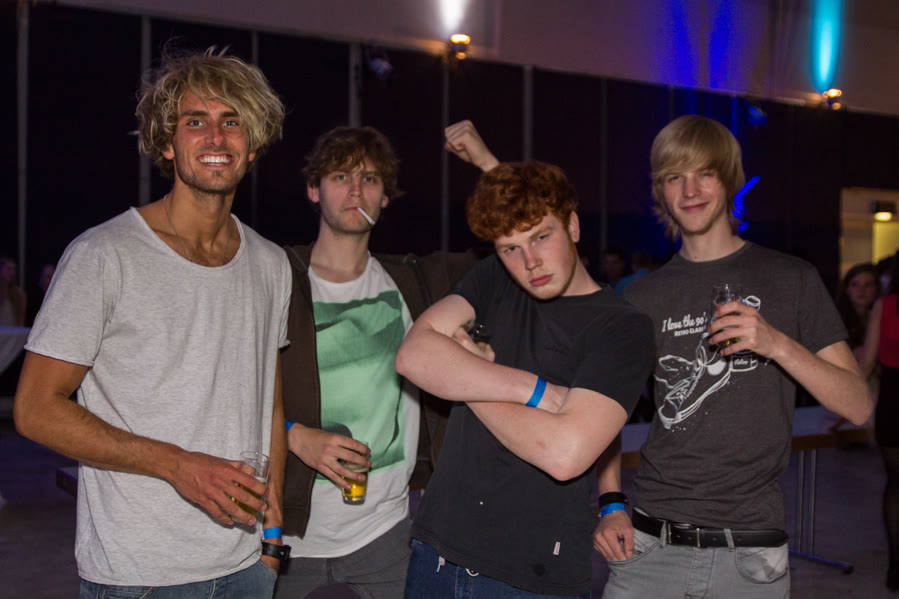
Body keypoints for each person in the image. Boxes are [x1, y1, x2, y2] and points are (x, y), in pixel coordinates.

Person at [13, 47, 291, 597]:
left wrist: (273, 538)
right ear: (167, 142)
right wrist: (177, 464)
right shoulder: (104, 255)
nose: (216, 137)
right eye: (196, 122)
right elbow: (35, 409)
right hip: (140, 575)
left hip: (247, 567)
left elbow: (271, 405)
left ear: (253, 145)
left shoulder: (270, 263)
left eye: (232, 121)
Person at [592, 115, 873, 598]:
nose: (690, 191)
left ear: (729, 179)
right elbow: (604, 414)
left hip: (750, 554)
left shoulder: (791, 278)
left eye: (704, 173)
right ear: (660, 191)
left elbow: (859, 405)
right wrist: (611, 502)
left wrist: (776, 343)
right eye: (674, 177)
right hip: (650, 546)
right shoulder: (641, 297)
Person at [395, 160, 655, 598]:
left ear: (572, 226)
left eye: (540, 237)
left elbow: (564, 454)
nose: (529, 262)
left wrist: (466, 372)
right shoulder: (496, 278)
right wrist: (530, 390)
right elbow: (412, 356)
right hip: (435, 551)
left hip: (531, 575)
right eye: (510, 248)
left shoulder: (622, 327)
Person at [275, 124, 480, 598]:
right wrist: (294, 435)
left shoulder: (415, 282)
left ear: (385, 197)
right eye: (340, 176)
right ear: (313, 189)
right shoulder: (275, 277)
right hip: (285, 531)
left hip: (387, 534)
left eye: (369, 178)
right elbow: (226, 387)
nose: (355, 190)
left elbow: (522, 242)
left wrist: (486, 163)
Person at [860, 254, 899, 591]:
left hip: (894, 401)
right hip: (893, 401)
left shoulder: (885, 306)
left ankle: (896, 567)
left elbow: (867, 363)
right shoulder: (884, 306)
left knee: (896, 485)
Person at [0, 257, 26, 326]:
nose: (12, 272)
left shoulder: (19, 294)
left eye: (13, 269)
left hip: (12, 331)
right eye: (9, 269)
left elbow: (20, 320)